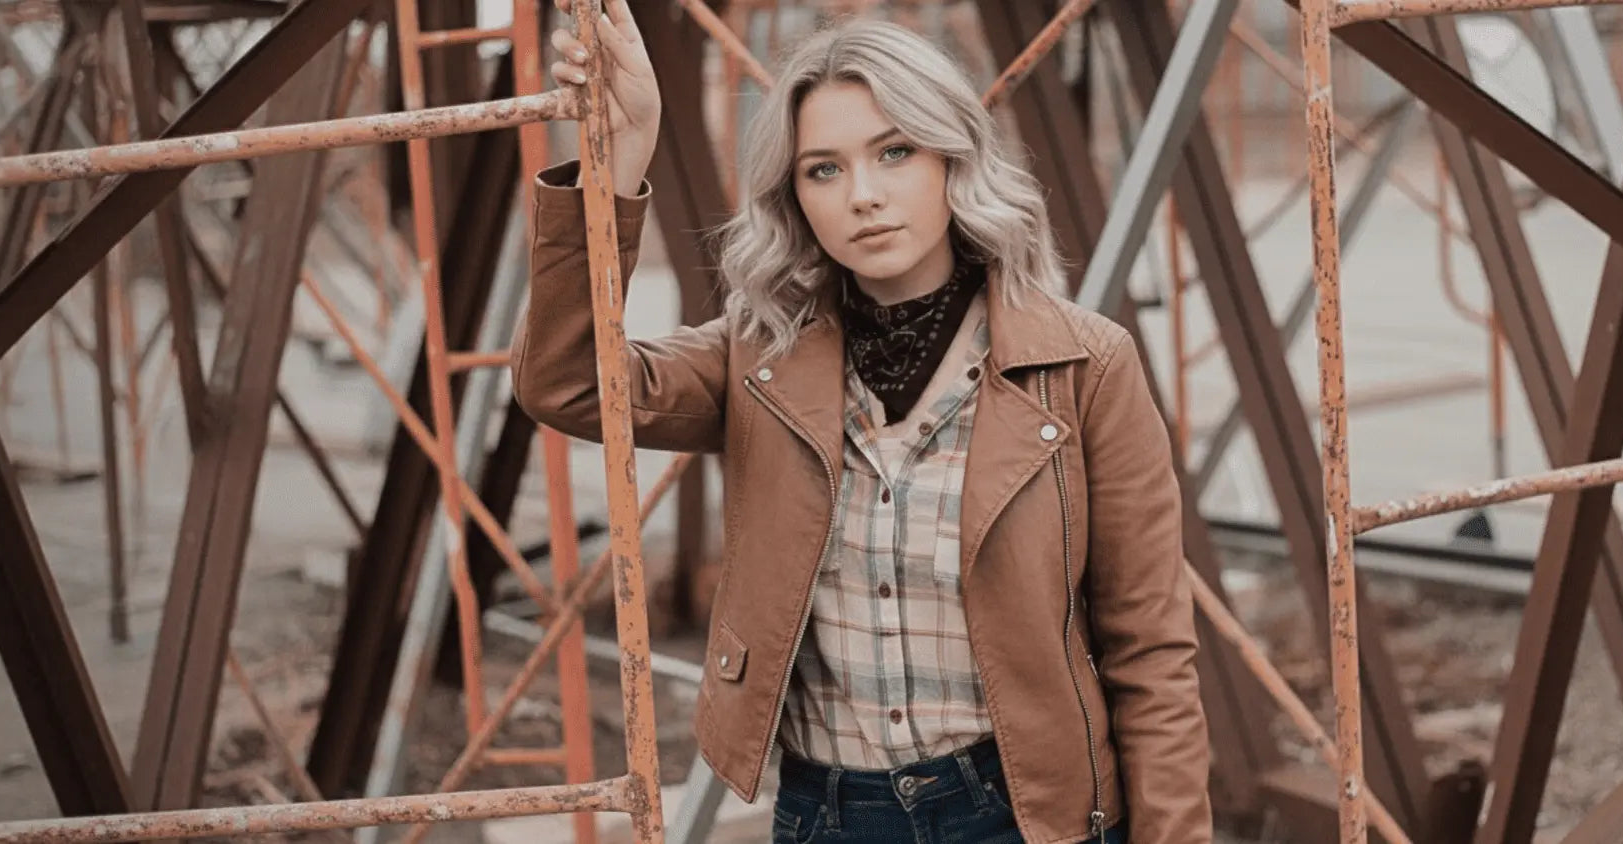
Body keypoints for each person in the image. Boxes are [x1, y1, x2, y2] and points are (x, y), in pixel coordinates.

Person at [511, 3, 1211, 842]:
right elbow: (566, 383)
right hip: (828, 815)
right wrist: (619, 161)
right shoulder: (759, 359)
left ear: (952, 158)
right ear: (794, 197)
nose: (865, 196)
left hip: (1026, 815)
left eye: (894, 151)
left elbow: (1151, 653)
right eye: (824, 170)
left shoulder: (1083, 365)